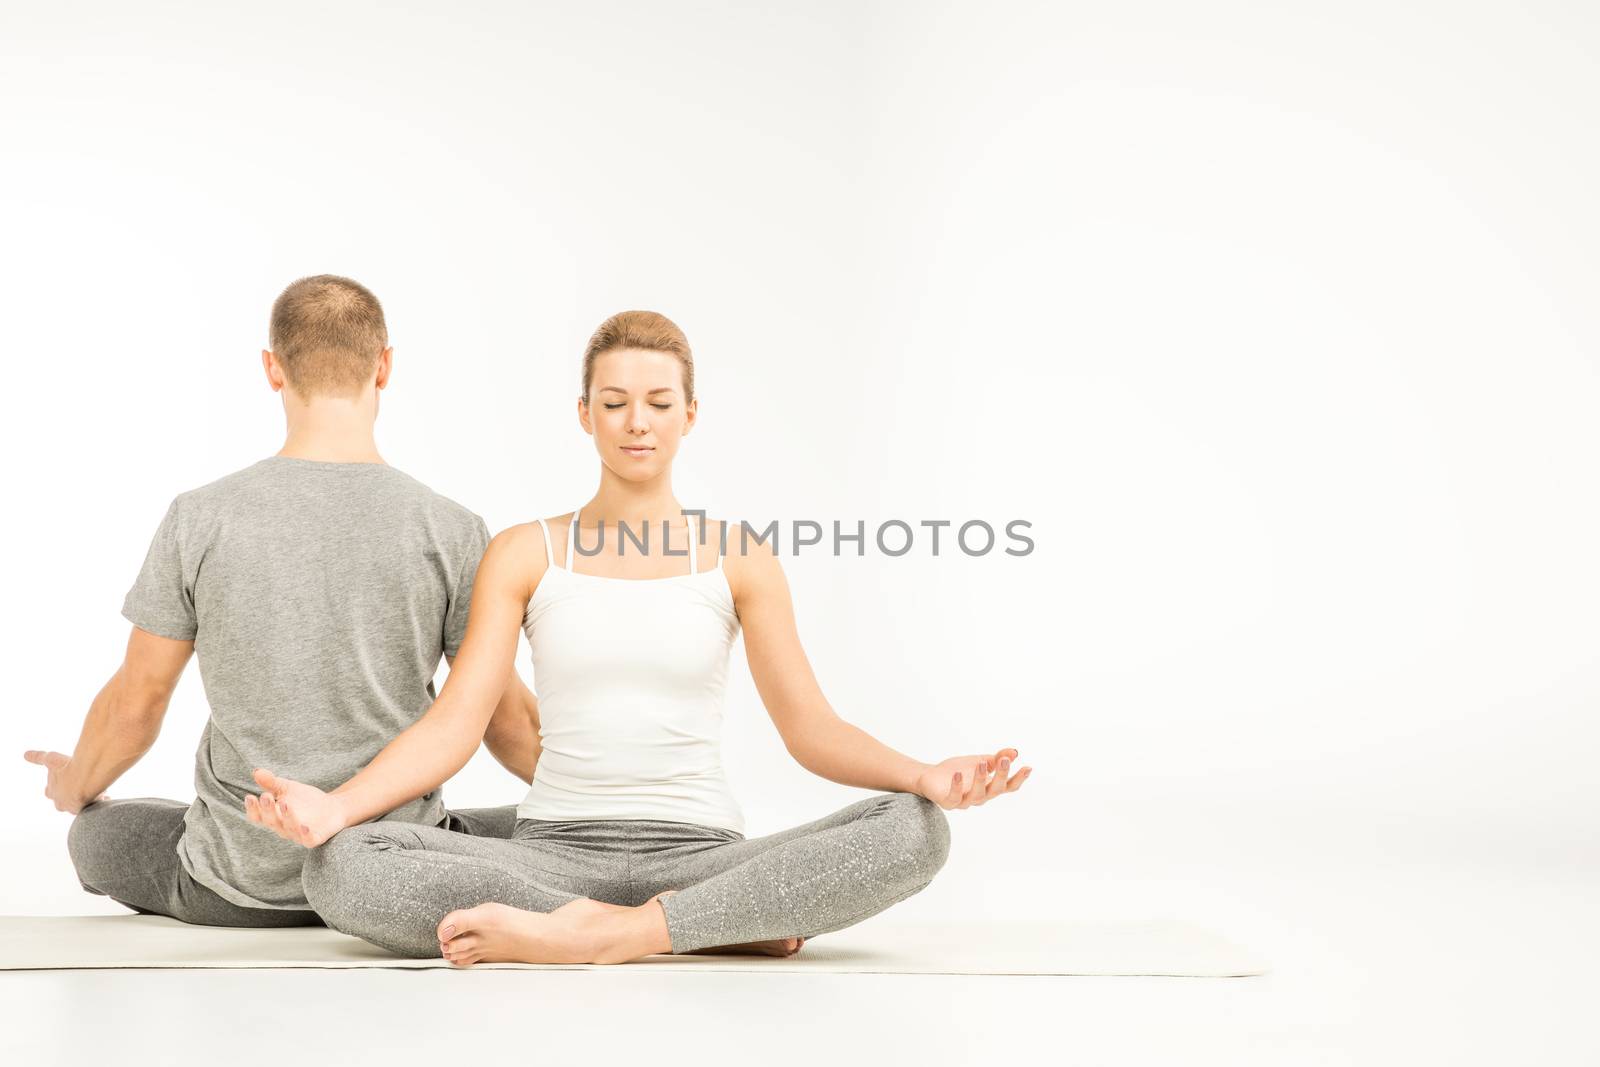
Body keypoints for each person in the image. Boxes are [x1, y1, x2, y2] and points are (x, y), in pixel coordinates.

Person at [245, 309, 1032, 964]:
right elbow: (456, 723)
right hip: (549, 850)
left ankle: (616, 932)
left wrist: (925, 775)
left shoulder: (739, 555)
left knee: (913, 832)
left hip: (702, 849)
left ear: (690, 415)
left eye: (659, 401)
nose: (636, 422)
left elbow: (811, 729)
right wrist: (336, 807)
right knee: (343, 864)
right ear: (584, 414)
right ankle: (709, 924)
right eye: (614, 401)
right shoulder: (524, 551)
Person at [23, 274, 539, 927]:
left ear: (273, 369)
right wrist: (614, 807)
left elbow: (138, 702)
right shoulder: (452, 528)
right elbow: (505, 720)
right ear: (384, 367)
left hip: (238, 885)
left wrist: (75, 784)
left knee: (93, 832)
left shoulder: (200, 517)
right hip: (395, 866)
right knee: (545, 828)